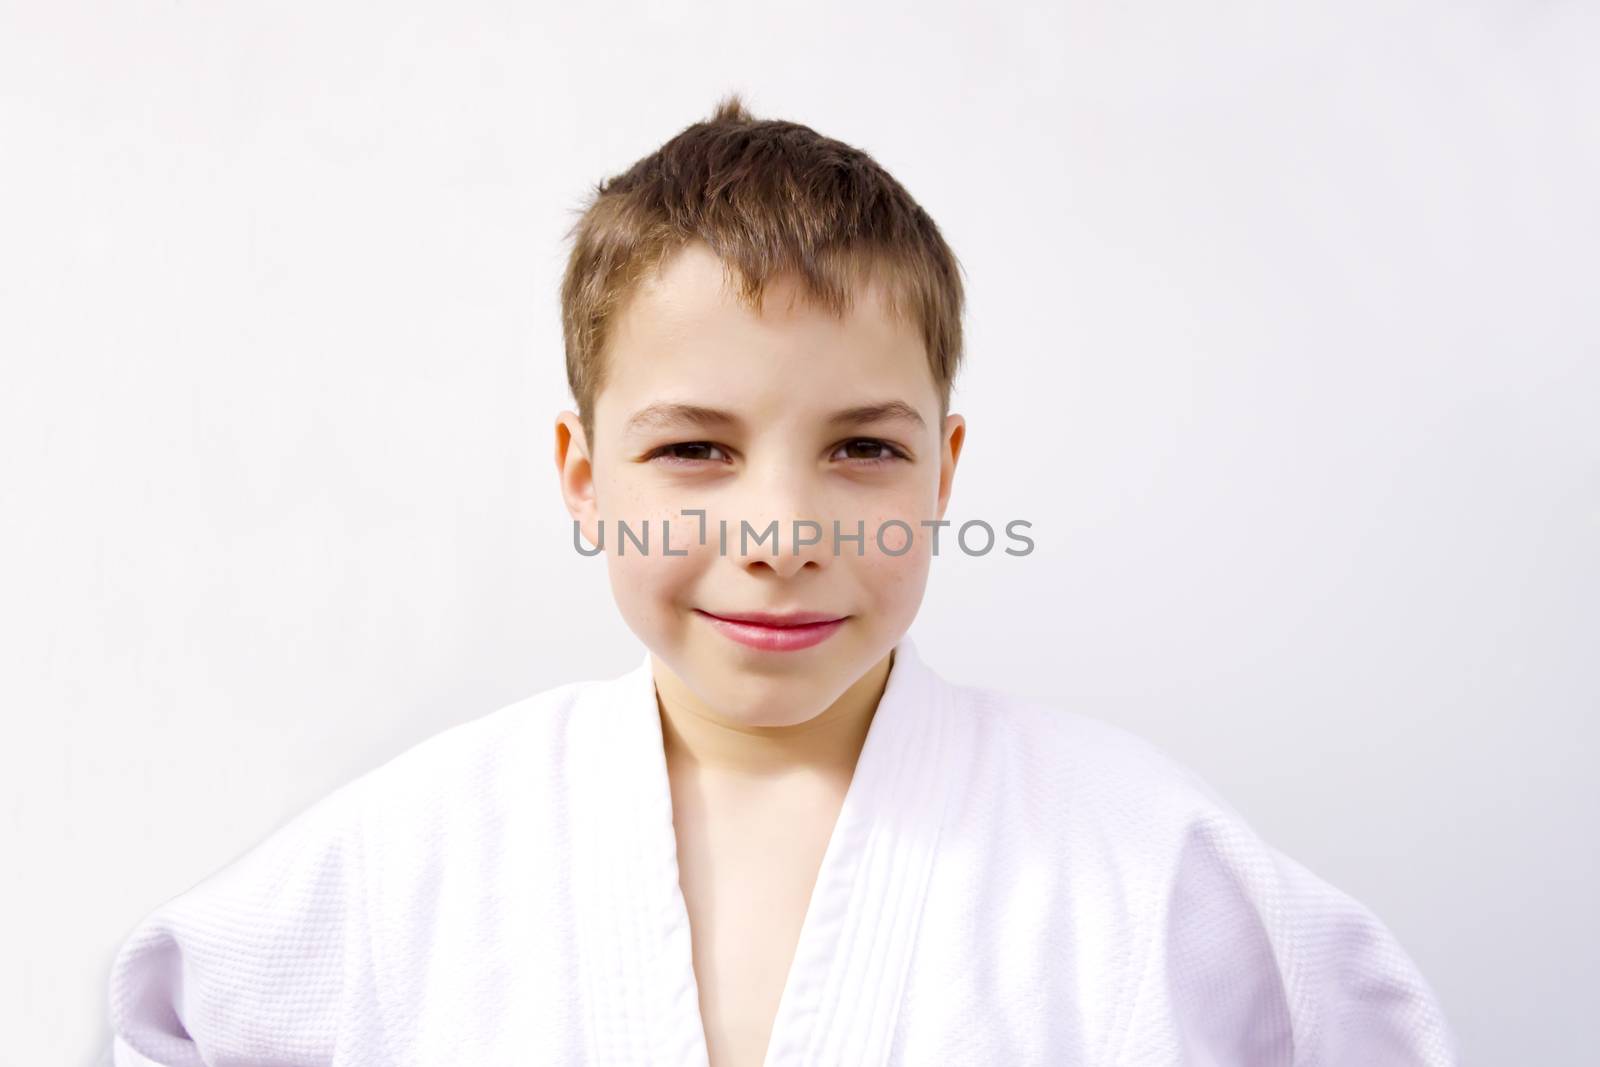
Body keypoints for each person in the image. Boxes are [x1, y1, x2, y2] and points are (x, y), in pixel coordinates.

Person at [106, 93, 1459, 1067]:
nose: (783, 530)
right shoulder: (405, 865)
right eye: (694, 449)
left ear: (943, 472)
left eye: (864, 449)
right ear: (585, 477)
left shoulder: (1147, 868)